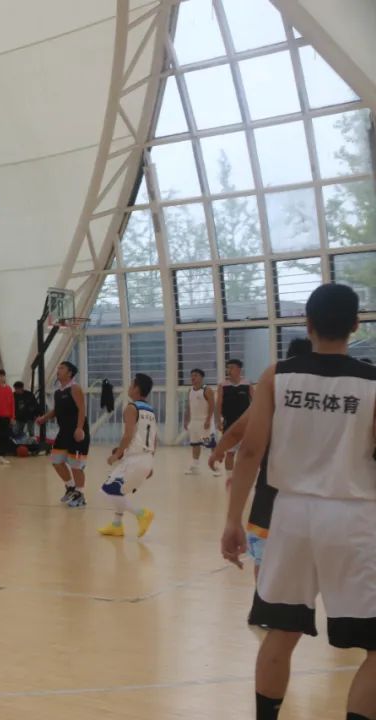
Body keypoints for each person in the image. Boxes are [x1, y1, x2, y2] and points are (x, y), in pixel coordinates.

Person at [220, 283, 376, 720]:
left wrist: (233, 520)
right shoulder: (372, 382)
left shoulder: (276, 376)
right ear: (356, 325)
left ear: (307, 325)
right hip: (352, 517)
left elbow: (250, 451)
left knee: (281, 630)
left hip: (289, 516)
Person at [210, 338, 312, 591]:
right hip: (318, 493)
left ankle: (266, 599)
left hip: (274, 488)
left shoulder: (277, 387)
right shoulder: (335, 390)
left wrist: (220, 449)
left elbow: (244, 438)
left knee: (265, 557)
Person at [97, 373, 157, 538]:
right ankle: (117, 524)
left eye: (131, 384)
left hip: (135, 459)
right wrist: (150, 463)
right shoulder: (150, 410)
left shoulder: (131, 408)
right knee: (118, 490)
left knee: (107, 491)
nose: (129, 387)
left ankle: (141, 514)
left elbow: (128, 435)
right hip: (145, 458)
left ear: (137, 388)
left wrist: (117, 454)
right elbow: (154, 439)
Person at [36, 361, 90, 508]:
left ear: (69, 373)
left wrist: (80, 428)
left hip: (76, 432)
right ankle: (71, 487)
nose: (58, 370)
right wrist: (44, 418)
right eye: (58, 367)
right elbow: (56, 410)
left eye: (62, 368)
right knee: (56, 461)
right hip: (64, 432)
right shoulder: (58, 392)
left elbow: (82, 409)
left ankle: (80, 495)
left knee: (76, 465)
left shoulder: (75, 388)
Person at [217, 358, 254, 483]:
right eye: (228, 367)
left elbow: (255, 403)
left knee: (245, 453)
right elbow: (218, 404)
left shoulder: (247, 384)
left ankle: (244, 477)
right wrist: (218, 420)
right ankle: (229, 478)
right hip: (229, 424)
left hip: (246, 424)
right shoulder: (223, 385)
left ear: (239, 369)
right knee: (230, 452)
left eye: (231, 367)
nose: (229, 370)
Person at [183, 368, 218, 476]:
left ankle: (215, 466)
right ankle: (195, 466)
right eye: (192, 375)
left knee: (210, 444)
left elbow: (212, 405)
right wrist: (186, 420)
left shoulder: (207, 390)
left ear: (202, 377)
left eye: (196, 375)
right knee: (195, 444)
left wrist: (208, 420)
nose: (193, 378)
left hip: (204, 421)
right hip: (194, 421)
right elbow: (188, 406)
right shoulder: (190, 390)